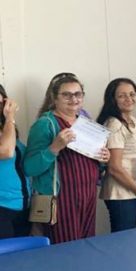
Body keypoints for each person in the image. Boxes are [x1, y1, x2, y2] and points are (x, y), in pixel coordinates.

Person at [24, 74, 110, 243]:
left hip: (87, 196)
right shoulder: (45, 124)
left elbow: (89, 163)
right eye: (66, 94)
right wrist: (54, 147)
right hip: (61, 200)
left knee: (86, 246)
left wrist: (103, 158)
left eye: (78, 94)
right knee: (66, 251)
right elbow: (29, 167)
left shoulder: (85, 123)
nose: (74, 99)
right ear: (54, 97)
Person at [98, 78, 136, 232]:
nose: (129, 99)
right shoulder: (114, 124)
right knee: (123, 241)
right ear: (112, 99)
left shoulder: (134, 121)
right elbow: (114, 168)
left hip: (135, 189)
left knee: (130, 239)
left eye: (132, 94)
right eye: (122, 96)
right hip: (121, 193)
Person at [0, 85, 30, 239]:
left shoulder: (7, 130)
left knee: (23, 259)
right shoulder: (9, 126)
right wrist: (10, 117)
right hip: (2, 206)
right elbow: (5, 151)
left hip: (21, 204)